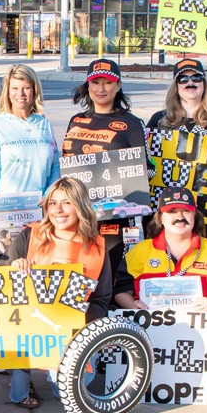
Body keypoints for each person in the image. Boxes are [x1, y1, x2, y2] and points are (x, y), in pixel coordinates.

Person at [0, 177, 112, 409]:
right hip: (28, 324)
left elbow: (101, 298)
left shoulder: (98, 246)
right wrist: (14, 268)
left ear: (80, 206)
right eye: (52, 203)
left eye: (66, 203)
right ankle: (22, 384)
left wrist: (80, 328)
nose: (58, 210)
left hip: (70, 327)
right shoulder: (30, 235)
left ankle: (59, 376)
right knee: (21, 377)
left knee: (64, 394)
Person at [61, 58, 146, 285]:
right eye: (95, 82)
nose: (101, 88)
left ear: (118, 86)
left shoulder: (132, 123)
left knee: (108, 275)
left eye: (107, 82)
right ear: (87, 86)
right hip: (76, 213)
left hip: (113, 217)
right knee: (77, 273)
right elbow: (65, 164)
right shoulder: (76, 120)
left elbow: (144, 168)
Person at [0, 64, 60, 265]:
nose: (20, 93)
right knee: (6, 282)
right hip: (3, 218)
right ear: (8, 92)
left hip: (39, 216)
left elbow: (55, 168)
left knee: (37, 280)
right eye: (14, 88)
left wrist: (49, 196)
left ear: (34, 90)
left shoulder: (44, 125)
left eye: (26, 87)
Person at [147, 59, 207, 248]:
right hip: (169, 209)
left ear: (204, 83)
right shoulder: (159, 120)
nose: (190, 82)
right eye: (183, 78)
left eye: (196, 77)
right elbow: (147, 163)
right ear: (176, 86)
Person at [115, 186, 207, 311]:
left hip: (201, 327)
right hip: (150, 328)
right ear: (160, 217)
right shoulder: (139, 252)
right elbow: (120, 291)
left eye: (186, 210)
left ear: (195, 215)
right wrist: (132, 306)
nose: (180, 217)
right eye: (172, 211)